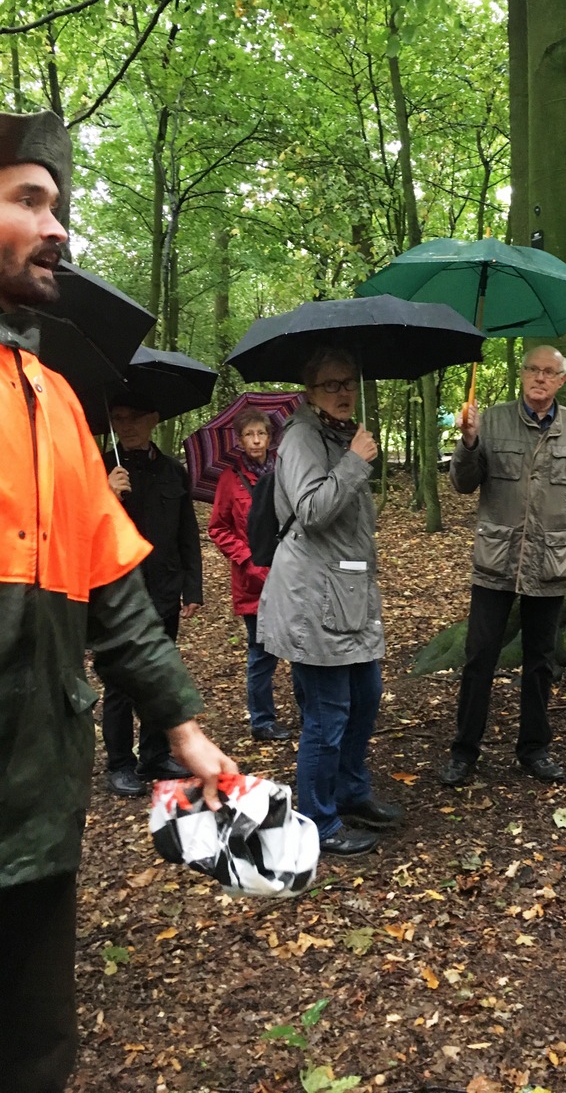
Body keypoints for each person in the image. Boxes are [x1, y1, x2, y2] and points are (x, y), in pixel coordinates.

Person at [0, 109, 236, 1093]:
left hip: (39, 806)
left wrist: (184, 726)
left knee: (36, 1049)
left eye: (57, 205)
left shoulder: (57, 402)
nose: (58, 228)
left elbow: (115, 596)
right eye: (28, 201)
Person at [258, 347, 401, 857]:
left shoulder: (339, 434)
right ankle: (318, 820)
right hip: (313, 599)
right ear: (310, 392)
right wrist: (356, 462)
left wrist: (353, 456)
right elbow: (313, 511)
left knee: (365, 697)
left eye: (349, 383)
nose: (344, 393)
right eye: (332, 385)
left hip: (349, 594)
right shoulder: (301, 438)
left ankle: (351, 792)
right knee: (327, 714)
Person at [440, 345, 566, 786]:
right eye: (533, 369)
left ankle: (534, 748)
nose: (540, 378)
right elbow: (462, 484)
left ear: (562, 380)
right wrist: (468, 442)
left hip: (550, 562)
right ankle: (464, 751)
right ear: (522, 374)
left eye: (550, 372)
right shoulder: (492, 421)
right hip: (497, 560)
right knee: (479, 658)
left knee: (540, 661)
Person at [102, 395, 204, 795]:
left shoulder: (172, 471)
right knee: (121, 681)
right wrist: (105, 494)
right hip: (118, 592)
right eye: (118, 418)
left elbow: (187, 533)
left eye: (135, 417)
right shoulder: (100, 469)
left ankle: (154, 755)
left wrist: (192, 587)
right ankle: (119, 763)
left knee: (159, 674)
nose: (126, 425)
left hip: (164, 588)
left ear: (154, 419)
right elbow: (79, 527)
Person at [208, 407, 298, 741]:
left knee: (300, 645)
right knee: (262, 653)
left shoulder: (286, 471)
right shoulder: (230, 480)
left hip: (291, 572)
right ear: (240, 440)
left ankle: (310, 710)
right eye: (249, 434)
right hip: (252, 581)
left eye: (261, 433)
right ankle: (262, 721)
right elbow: (218, 528)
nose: (256, 440)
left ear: (270, 437)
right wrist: (248, 560)